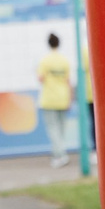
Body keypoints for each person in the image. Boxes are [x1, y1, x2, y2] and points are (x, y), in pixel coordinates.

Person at [36, 31, 76, 168]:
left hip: (49, 99)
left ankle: (61, 155)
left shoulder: (45, 60)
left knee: (53, 130)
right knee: (61, 129)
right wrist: (70, 99)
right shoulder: (64, 60)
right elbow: (68, 81)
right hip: (63, 97)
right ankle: (57, 154)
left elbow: (41, 79)